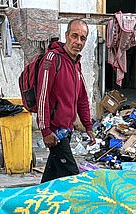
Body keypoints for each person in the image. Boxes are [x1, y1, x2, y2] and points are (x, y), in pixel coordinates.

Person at [36, 19, 96, 183]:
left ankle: (40, 201)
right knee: (72, 178)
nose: (78, 42)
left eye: (82, 38)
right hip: (55, 132)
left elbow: (81, 97)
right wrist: (45, 130)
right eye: (74, 36)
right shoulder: (52, 59)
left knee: (51, 177)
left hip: (67, 130)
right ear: (66, 35)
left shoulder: (76, 63)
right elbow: (42, 96)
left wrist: (88, 126)